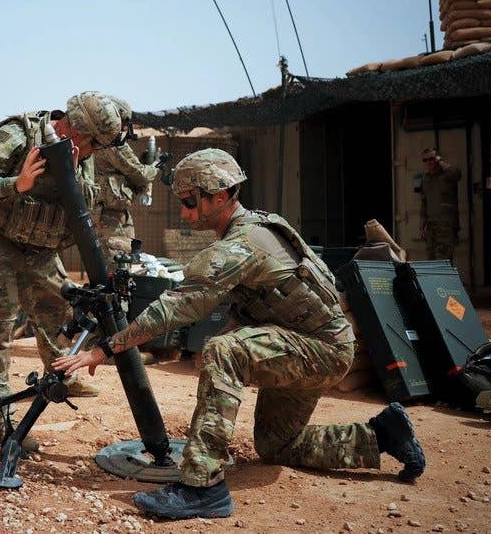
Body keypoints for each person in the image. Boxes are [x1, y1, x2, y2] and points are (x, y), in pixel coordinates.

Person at [54, 148, 426, 520]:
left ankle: (202, 487)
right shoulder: (263, 224)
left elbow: (178, 306)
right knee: (277, 445)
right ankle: (382, 435)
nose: (183, 212)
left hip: (319, 351)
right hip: (312, 342)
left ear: (218, 196)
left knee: (223, 351)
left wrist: (104, 350)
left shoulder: (238, 245)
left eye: (188, 201)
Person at [0, 91, 123, 451]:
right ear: (79, 131)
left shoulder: (81, 154)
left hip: (39, 242)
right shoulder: (18, 135)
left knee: (57, 307)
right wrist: (15, 185)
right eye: (95, 143)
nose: (95, 151)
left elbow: (85, 201)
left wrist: (74, 174)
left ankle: (61, 372)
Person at [91, 96, 159, 263]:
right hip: (112, 221)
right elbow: (141, 174)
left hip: (97, 215)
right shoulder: (113, 144)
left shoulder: (92, 141)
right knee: (119, 268)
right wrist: (156, 166)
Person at [419, 148, 462, 263]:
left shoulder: (447, 176)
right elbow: (424, 203)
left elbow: (456, 174)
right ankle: (435, 282)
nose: (429, 162)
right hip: (431, 227)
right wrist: (422, 226)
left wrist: (441, 161)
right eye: (425, 160)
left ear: (437, 158)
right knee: (432, 261)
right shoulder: (425, 179)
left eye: (432, 158)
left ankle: (445, 282)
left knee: (444, 262)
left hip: (446, 226)